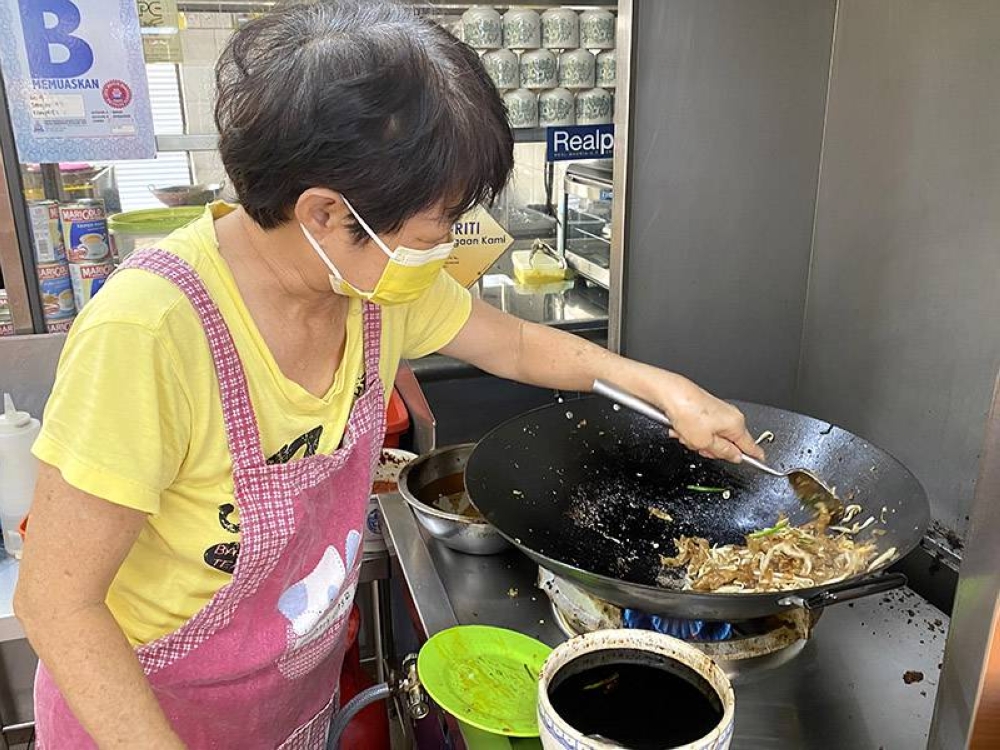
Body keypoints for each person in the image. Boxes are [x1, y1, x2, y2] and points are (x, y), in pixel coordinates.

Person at [14, 2, 764, 748]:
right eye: (434, 225)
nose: (446, 245)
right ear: (326, 214)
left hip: (285, 697)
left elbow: (518, 346)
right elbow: (57, 604)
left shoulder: (366, 288)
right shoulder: (150, 332)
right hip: (147, 715)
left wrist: (667, 391)